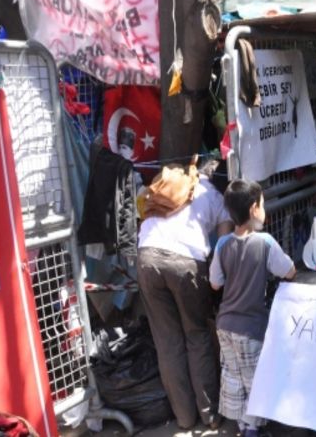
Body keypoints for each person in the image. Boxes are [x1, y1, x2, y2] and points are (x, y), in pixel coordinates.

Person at [136, 159, 233, 430]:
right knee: (197, 335)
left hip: (147, 256)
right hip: (186, 262)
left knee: (167, 341)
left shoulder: (177, 181)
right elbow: (222, 249)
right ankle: (210, 416)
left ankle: (184, 418)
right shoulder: (218, 198)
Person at [210, 180, 296, 437]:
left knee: (234, 377)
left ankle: (243, 425)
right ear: (253, 209)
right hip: (251, 328)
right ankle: (251, 430)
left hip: (224, 325)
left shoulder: (222, 244)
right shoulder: (265, 242)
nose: (264, 208)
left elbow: (215, 283)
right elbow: (288, 271)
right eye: (262, 204)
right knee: (256, 381)